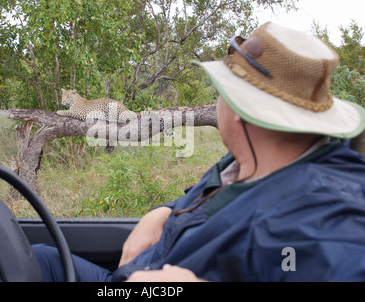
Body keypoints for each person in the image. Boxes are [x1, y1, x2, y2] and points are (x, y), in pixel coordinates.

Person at [32, 22, 365, 282]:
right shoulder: (245, 160)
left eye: (222, 90)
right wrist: (162, 212)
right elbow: (201, 202)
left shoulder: (327, 211)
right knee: (40, 257)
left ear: (238, 109)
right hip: (132, 274)